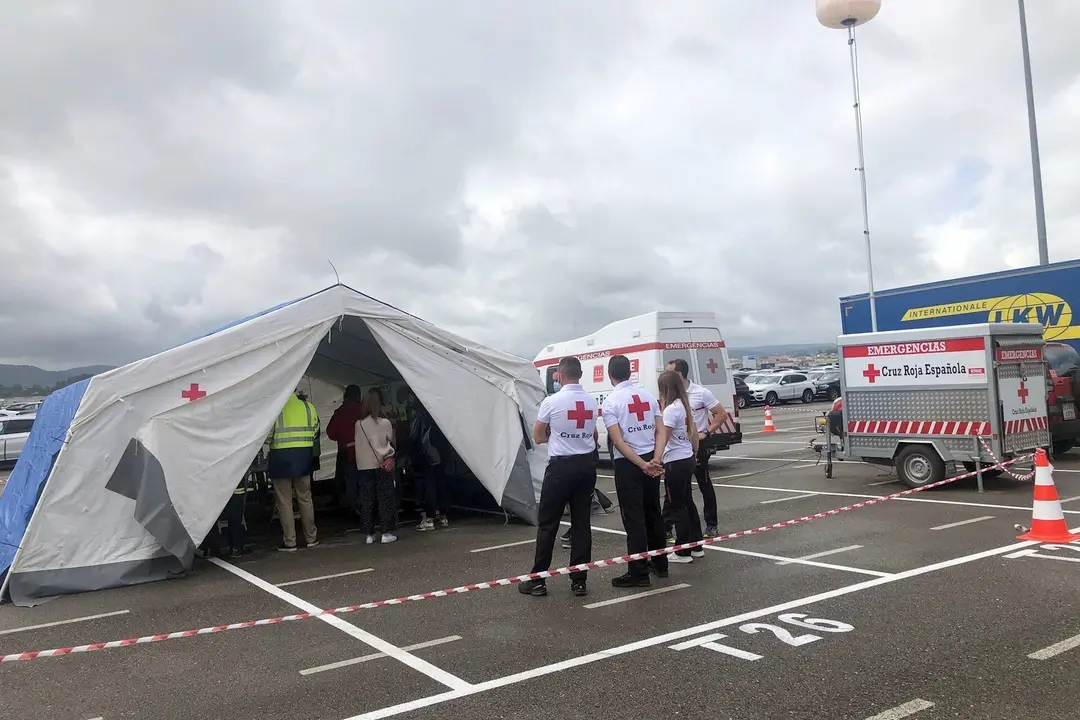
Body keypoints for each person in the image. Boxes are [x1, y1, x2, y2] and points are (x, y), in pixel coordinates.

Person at [519, 356, 598, 598]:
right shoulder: (591, 401)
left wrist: (556, 434)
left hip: (561, 466)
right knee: (581, 523)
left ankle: (538, 579)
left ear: (560, 375)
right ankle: (579, 580)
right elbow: (593, 434)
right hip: (586, 465)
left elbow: (539, 436)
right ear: (580, 375)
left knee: (548, 523)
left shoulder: (552, 402)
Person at [602, 354, 668, 587]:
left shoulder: (611, 402)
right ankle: (660, 564)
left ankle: (638, 571)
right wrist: (656, 459)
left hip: (629, 463)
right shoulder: (648, 396)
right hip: (652, 457)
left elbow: (618, 441)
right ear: (629, 372)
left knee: (634, 518)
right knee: (653, 512)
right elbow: (660, 430)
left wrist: (641, 464)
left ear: (611, 375)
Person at [663, 359, 732, 538]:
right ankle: (667, 525)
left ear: (679, 374)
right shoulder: (671, 396)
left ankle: (711, 524)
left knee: (704, 483)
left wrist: (706, 433)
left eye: (669, 372)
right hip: (678, 450)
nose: (666, 375)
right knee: (675, 489)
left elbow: (721, 414)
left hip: (697, 445)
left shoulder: (700, 393)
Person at [654, 370, 704, 564]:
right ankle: (696, 545)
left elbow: (663, 438)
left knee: (677, 505)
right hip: (687, 457)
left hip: (675, 461)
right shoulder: (684, 407)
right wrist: (695, 452)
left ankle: (682, 550)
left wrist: (656, 460)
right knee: (687, 502)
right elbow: (693, 435)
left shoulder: (670, 411)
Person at [268, 387, 320, 551]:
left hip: (280, 457)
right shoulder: (308, 407)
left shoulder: (275, 407)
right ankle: (311, 537)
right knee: (305, 498)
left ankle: (290, 541)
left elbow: (267, 435)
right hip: (303, 457)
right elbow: (316, 431)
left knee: (284, 501)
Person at [355, 388, 399, 544]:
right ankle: (386, 532)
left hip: (364, 467)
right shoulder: (385, 423)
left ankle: (369, 534)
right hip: (382, 465)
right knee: (385, 499)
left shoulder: (358, 424)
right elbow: (390, 439)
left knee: (367, 500)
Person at [408, 395, 451, 530]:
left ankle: (430, 518)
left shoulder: (419, 417)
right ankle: (443, 516)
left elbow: (414, 436)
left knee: (429, 486)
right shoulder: (438, 413)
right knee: (441, 484)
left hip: (427, 455)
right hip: (441, 453)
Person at [327, 384, 365, 516]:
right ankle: (366, 506)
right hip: (366, 451)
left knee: (351, 481)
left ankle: (354, 509)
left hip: (346, 452)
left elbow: (331, 432)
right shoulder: (365, 410)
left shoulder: (340, 412)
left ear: (345, 396)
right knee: (365, 479)